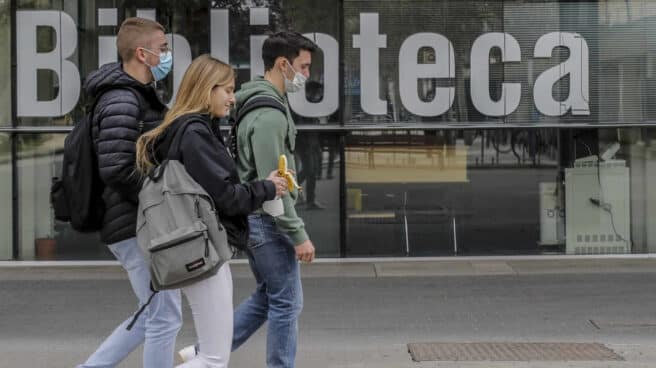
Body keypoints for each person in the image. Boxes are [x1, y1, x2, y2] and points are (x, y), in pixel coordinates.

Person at [136, 54, 288, 368]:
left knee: (210, 353)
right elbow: (227, 197)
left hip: (196, 244)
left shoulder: (191, 129)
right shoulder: (195, 135)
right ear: (207, 89)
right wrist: (267, 188)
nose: (233, 98)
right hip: (202, 248)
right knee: (213, 359)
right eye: (228, 90)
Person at [77, 17, 183, 368]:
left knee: (153, 314)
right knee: (164, 316)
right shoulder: (122, 99)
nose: (167, 56)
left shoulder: (135, 96)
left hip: (137, 222)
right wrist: (163, 196)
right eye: (163, 49)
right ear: (142, 53)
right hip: (135, 224)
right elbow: (117, 168)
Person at [233, 31, 318, 368]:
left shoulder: (262, 100)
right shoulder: (269, 114)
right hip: (268, 221)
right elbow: (275, 184)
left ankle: (201, 353)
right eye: (304, 66)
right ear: (283, 64)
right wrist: (298, 235)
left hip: (257, 218)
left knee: (269, 298)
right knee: (287, 303)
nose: (307, 75)